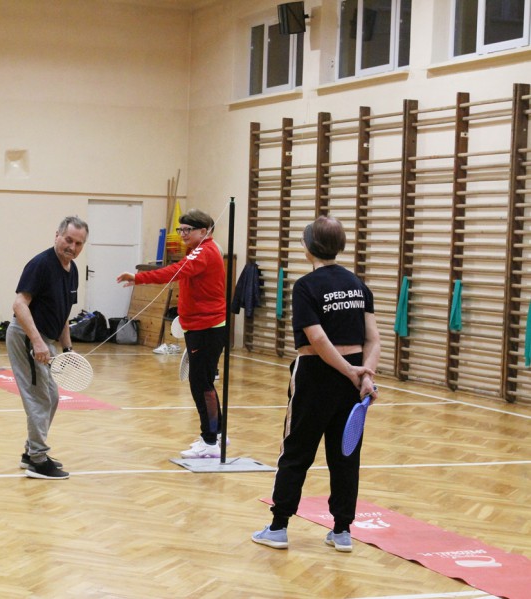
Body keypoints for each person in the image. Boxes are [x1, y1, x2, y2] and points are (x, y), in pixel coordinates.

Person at [251, 215, 380, 552]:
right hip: (353, 378)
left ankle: (278, 527)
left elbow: (318, 340)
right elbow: (373, 338)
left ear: (308, 247)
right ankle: (342, 531)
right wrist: (364, 373)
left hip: (315, 375)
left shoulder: (306, 287)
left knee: (296, 451)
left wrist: (352, 372)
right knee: (345, 455)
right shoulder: (358, 285)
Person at [117, 209, 227, 459]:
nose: (183, 234)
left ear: (204, 231)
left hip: (206, 328)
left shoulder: (204, 251)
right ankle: (217, 433)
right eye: (181, 229)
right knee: (204, 383)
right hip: (198, 326)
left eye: (188, 230)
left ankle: (210, 440)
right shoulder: (197, 250)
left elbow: (174, 272)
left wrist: (139, 278)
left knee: (201, 385)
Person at [6, 216, 89, 480]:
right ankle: (37, 460)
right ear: (57, 235)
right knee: (39, 397)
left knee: (51, 397)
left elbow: (63, 313)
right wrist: (37, 341)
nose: (72, 247)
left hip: (46, 340)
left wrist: (68, 349)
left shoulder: (72, 270)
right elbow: (19, 305)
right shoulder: (40, 264)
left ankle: (31, 452)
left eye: (78, 243)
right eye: (68, 240)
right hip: (27, 337)